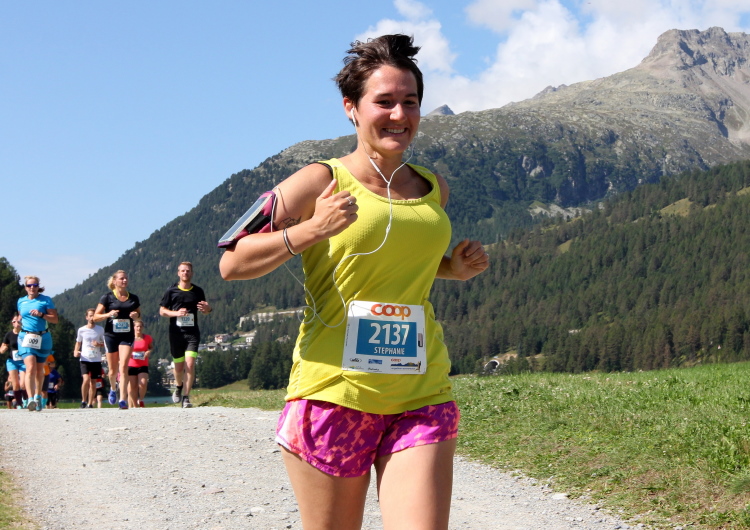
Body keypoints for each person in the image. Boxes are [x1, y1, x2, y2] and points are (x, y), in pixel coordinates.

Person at [220, 34, 489, 529]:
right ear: (351, 107)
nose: (398, 114)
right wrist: (311, 229)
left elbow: (394, 258)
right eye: (383, 102)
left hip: (420, 393)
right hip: (333, 395)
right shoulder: (320, 180)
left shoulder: (432, 187)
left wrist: (452, 267)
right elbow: (232, 262)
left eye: (410, 102)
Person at [159, 262, 212, 408]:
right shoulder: (171, 291)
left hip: (192, 333)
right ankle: (178, 386)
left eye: (188, 271)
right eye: (182, 271)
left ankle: (186, 397)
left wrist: (208, 309)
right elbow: (162, 311)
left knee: (190, 364)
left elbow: (205, 310)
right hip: (176, 333)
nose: (185, 273)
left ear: (192, 273)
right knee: (178, 367)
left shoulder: (198, 291)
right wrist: (176, 313)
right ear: (178, 273)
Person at [94, 270, 141, 409]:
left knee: (124, 366)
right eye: (121, 278)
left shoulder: (133, 298)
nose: (124, 280)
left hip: (127, 335)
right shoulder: (107, 297)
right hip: (111, 336)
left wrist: (135, 316)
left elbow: (139, 314)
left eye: (126, 278)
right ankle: (113, 389)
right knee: (112, 370)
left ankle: (122, 399)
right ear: (114, 281)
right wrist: (108, 314)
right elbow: (95, 317)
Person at [17, 276, 59, 412]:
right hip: (26, 337)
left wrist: (41, 315)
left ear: (38, 286)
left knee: (40, 369)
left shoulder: (45, 300)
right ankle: (30, 399)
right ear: (25, 287)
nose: (32, 288)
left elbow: (55, 319)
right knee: (30, 367)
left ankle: (38, 396)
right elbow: (21, 316)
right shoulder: (21, 301)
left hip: (43, 337)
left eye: (34, 285)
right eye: (29, 285)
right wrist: (18, 322)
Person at [73, 309, 105, 408]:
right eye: (90, 316)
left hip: (96, 359)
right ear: (86, 317)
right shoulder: (81, 330)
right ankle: (83, 400)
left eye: (94, 315)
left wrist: (98, 344)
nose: (92, 318)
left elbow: (105, 343)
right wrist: (75, 351)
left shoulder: (100, 329)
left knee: (93, 382)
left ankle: (90, 403)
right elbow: (78, 342)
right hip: (85, 358)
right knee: (86, 379)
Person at [1, 315, 27, 408]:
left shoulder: (25, 334)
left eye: (19, 321)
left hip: (23, 361)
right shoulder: (9, 335)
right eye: (14, 321)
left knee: (23, 384)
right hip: (12, 361)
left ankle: (26, 401)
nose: (17, 323)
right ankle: (19, 404)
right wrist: (3, 349)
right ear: (12, 323)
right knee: (15, 385)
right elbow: (2, 347)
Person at [127, 320, 152, 408]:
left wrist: (148, 352)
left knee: (143, 383)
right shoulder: (129, 338)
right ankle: (135, 405)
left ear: (143, 327)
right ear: (133, 327)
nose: (139, 328)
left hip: (143, 364)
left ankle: (140, 399)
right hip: (131, 364)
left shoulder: (147, 338)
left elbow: (150, 347)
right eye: (137, 326)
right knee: (133, 386)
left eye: (140, 326)